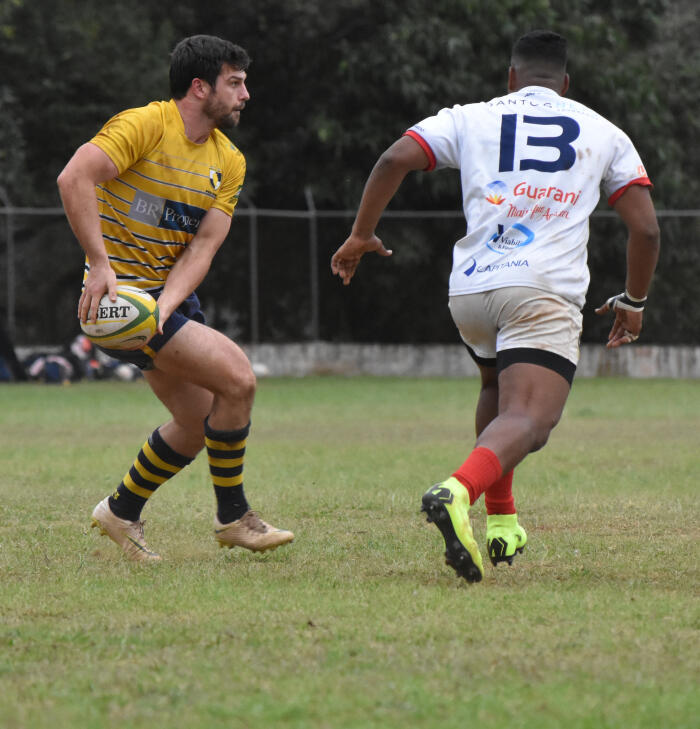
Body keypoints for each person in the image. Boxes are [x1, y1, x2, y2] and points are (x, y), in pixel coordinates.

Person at [331, 30, 659, 583]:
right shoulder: (603, 131)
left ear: (511, 77)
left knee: (497, 393)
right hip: (541, 292)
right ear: (566, 83)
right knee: (533, 420)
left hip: (472, 291)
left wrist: (361, 234)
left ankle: (502, 520)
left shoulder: (471, 116)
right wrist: (634, 299)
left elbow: (394, 158)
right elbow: (646, 229)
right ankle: (456, 490)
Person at [57, 34, 294, 562]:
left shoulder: (228, 161)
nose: (245, 94)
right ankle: (234, 517)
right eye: (235, 83)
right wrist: (100, 264)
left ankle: (119, 511)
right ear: (198, 87)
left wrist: (165, 307)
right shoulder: (144, 125)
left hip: (163, 301)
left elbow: (204, 247)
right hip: (117, 302)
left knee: (196, 422)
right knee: (238, 378)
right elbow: (74, 177)